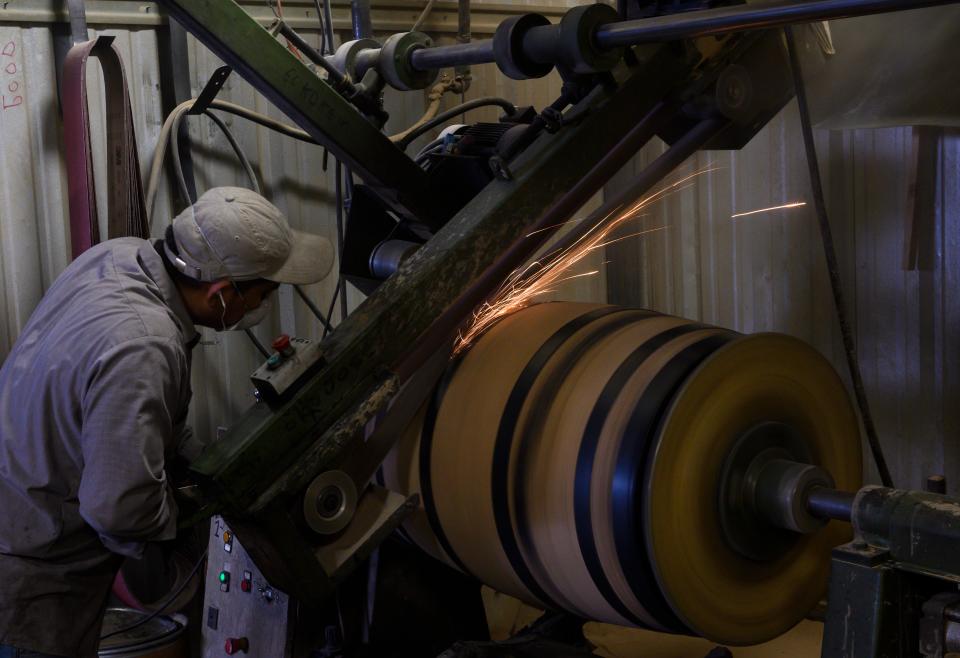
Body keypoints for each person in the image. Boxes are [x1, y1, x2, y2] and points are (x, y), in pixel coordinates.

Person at [0, 187, 333, 657]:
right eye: (263, 294)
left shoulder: (120, 256)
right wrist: (180, 557)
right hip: (30, 579)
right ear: (220, 294)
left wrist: (208, 464)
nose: (261, 308)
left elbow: (141, 417)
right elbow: (119, 510)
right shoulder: (144, 345)